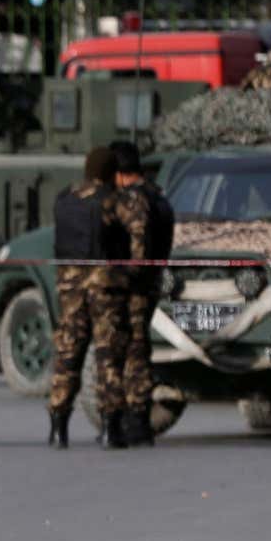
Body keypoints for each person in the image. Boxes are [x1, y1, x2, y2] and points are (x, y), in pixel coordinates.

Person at [46, 147, 145, 450]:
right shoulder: (113, 200)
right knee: (108, 354)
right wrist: (134, 272)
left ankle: (57, 427)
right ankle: (110, 428)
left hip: (69, 285)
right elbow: (138, 237)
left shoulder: (65, 197)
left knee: (68, 352)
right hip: (106, 285)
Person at [110, 140, 175, 447]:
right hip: (149, 284)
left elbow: (138, 253)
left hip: (135, 287)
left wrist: (121, 277)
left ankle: (136, 419)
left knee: (133, 352)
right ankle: (136, 418)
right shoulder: (158, 196)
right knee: (137, 347)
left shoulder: (135, 200)